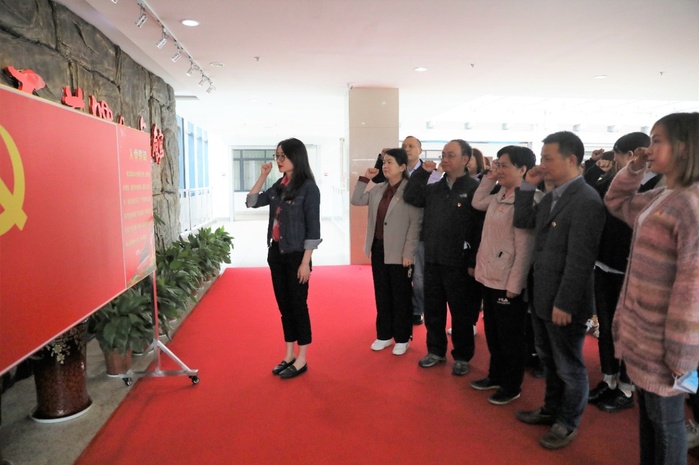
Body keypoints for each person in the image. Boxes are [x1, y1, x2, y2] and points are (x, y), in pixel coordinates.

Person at [605, 112, 699, 465]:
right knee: (649, 418)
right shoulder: (665, 195)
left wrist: (681, 357)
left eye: (657, 141)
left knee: (665, 423)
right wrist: (634, 168)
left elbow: (692, 289)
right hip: (643, 336)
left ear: (684, 147)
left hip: (666, 346)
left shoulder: (691, 204)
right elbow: (616, 202)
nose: (649, 148)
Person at [513, 131, 606, 450]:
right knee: (550, 361)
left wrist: (565, 303)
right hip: (542, 293)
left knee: (569, 366)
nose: (542, 164)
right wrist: (528, 186)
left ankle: (567, 423)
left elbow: (581, 260)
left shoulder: (586, 200)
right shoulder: (553, 194)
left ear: (571, 159)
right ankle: (550, 409)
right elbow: (523, 220)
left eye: (548, 158)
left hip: (565, 301)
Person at [584, 133, 661, 414]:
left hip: (631, 269)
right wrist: (593, 166)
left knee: (628, 332)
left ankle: (627, 387)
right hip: (604, 262)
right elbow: (594, 193)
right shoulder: (618, 180)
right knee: (606, 327)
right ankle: (609, 378)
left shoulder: (660, 185)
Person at [403, 139, 483, 376]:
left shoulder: (475, 188)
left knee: (461, 313)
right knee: (433, 310)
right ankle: (435, 351)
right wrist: (422, 173)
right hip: (433, 258)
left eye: (451, 155)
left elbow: (479, 230)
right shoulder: (434, 187)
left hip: (460, 262)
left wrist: (473, 260)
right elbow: (411, 196)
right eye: (443, 154)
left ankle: (462, 356)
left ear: (465, 159)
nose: (444, 159)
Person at [246, 138, 322, 379]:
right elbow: (252, 201)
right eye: (277, 156)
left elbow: (313, 229)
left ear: (295, 157)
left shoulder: (309, 188)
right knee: (284, 306)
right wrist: (263, 176)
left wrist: (305, 262)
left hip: (297, 255)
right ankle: (289, 354)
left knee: (298, 305)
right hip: (276, 252)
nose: (278, 160)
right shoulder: (279, 185)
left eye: (283, 156)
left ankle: (302, 358)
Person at [470, 146, 540, 405]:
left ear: (523, 169)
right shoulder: (500, 194)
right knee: (493, 332)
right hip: (490, 275)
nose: (499, 169)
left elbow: (525, 249)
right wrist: (490, 177)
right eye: (497, 164)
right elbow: (476, 202)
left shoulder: (526, 200)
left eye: (504, 165)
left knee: (511, 337)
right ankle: (495, 375)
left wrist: (515, 285)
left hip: (508, 280)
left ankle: (511, 385)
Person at [351, 148, 423, 355]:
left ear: (402, 166)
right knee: (382, 293)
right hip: (378, 248)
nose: (385, 166)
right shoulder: (379, 189)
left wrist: (409, 253)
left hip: (400, 252)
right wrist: (365, 179)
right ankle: (384, 334)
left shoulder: (410, 190)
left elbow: (415, 225)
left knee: (400, 295)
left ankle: (402, 337)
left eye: (390, 162)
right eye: (384, 162)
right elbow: (357, 200)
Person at [372, 136, 440, 326]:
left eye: (411, 146)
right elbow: (378, 180)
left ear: (420, 150)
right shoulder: (394, 168)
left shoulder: (430, 171)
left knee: (418, 277)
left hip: (418, 231)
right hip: (394, 234)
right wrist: (382, 158)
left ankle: (417, 310)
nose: (407, 149)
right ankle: (398, 312)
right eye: (404, 146)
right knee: (396, 279)